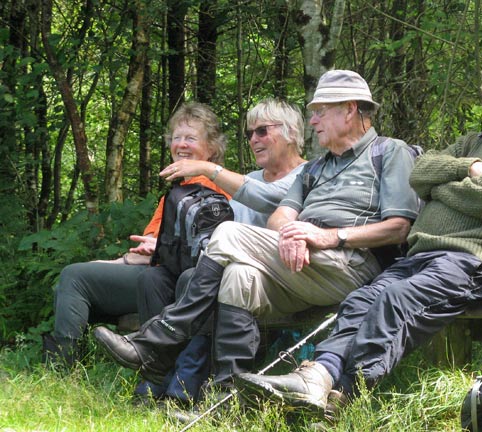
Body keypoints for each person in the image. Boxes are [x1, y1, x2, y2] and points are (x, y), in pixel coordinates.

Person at [233, 48, 482, 420]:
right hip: (422, 257)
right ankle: (317, 376)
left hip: (479, 262)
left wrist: (444, 187)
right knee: (362, 300)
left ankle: (342, 395)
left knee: (396, 300)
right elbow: (421, 171)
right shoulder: (472, 144)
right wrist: (470, 168)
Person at [93, 70, 421, 392]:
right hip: (305, 265)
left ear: (349, 109)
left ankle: (156, 345)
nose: (313, 121)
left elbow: (399, 227)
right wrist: (294, 232)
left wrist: (330, 236)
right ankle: (226, 397)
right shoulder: (317, 167)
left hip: (352, 264)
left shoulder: (389, 152)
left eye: (320, 112)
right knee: (238, 276)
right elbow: (280, 216)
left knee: (229, 232)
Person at [132, 98, 307, 405]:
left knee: (194, 279)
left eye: (262, 131)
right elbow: (223, 230)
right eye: (250, 133)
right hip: (232, 269)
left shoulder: (308, 176)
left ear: (291, 133)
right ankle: (156, 373)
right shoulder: (249, 180)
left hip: (277, 276)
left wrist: (208, 169)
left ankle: (183, 386)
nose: (254, 139)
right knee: (156, 278)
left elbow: (271, 198)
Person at [42, 102, 230, 367]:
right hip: (151, 271)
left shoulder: (213, 190)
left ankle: (63, 366)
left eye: (191, 138)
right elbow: (146, 248)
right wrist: (115, 262)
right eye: (177, 138)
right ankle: (72, 361)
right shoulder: (177, 190)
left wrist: (156, 252)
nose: (181, 145)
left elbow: (199, 252)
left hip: (173, 281)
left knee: (75, 277)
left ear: (211, 148)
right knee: (78, 274)